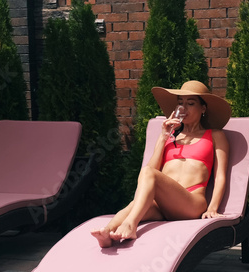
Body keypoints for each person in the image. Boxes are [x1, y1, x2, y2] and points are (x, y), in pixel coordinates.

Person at [91, 80, 231, 248]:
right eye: (180, 103)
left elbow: (220, 175)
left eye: (190, 103)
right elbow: (151, 169)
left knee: (148, 174)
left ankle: (130, 225)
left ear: (203, 108)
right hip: (164, 205)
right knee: (135, 203)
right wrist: (164, 136)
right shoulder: (170, 136)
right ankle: (107, 232)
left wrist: (213, 208)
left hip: (191, 203)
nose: (183, 108)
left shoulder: (215, 135)